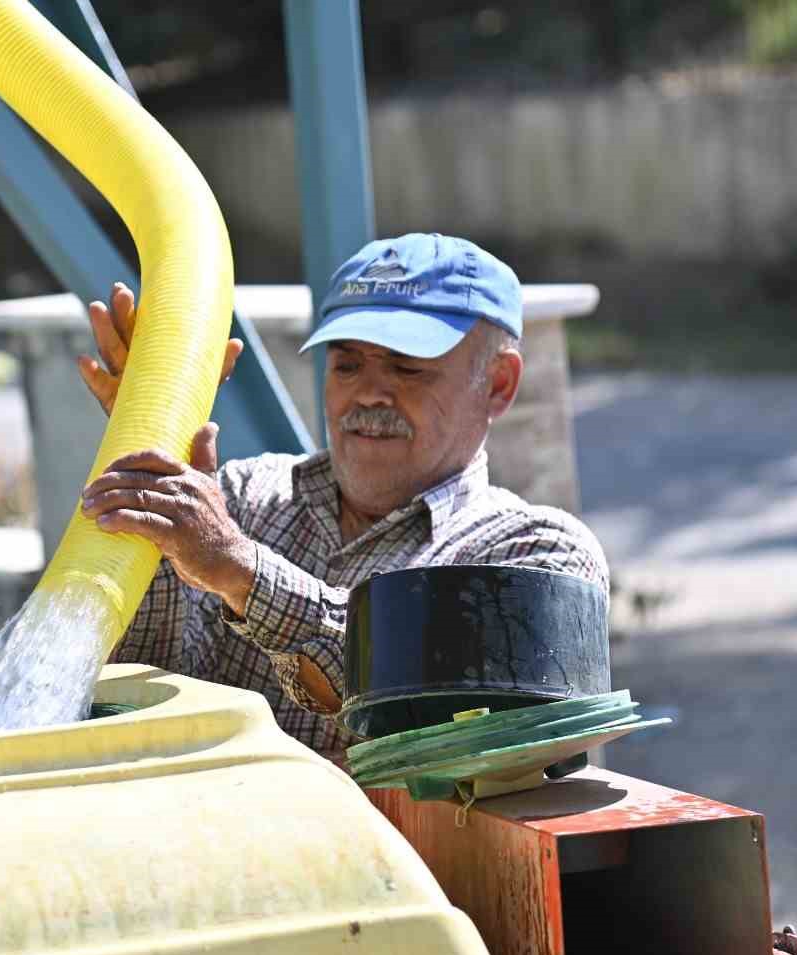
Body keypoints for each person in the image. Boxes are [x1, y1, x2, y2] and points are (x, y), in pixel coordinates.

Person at [75, 232, 607, 760]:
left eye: (407, 367)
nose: (369, 392)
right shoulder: (240, 495)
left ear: (498, 384)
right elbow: (127, 702)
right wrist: (149, 444)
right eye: (347, 365)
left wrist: (243, 572)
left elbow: (431, 739)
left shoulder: (539, 555)